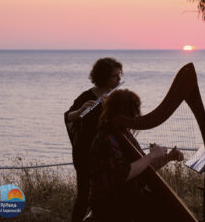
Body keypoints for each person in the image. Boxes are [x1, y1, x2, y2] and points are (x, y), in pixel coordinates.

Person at [88, 89, 184, 222]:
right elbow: (123, 173)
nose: (137, 115)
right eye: (135, 110)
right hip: (110, 202)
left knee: (169, 208)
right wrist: (151, 156)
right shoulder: (106, 137)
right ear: (125, 112)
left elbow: (143, 168)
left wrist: (168, 158)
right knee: (167, 211)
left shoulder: (122, 133)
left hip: (126, 197)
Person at [64, 57, 123, 222]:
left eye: (120, 75)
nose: (119, 79)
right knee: (84, 194)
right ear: (103, 77)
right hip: (85, 152)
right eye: (114, 76)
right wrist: (81, 109)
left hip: (106, 152)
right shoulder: (87, 96)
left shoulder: (116, 97)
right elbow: (69, 116)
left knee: (107, 194)